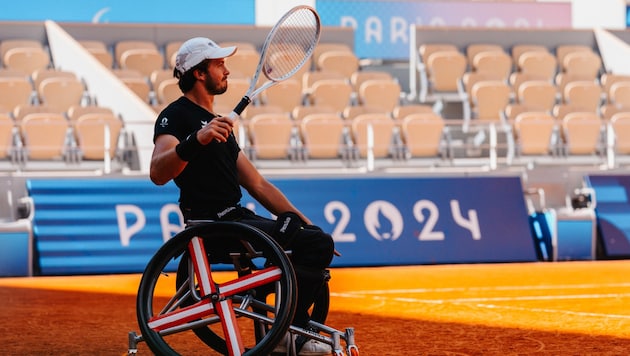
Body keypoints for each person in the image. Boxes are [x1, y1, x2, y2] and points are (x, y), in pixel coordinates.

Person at [149, 37, 335, 355]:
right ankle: (289, 332)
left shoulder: (221, 126)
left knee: (314, 238)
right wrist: (196, 139)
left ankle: (281, 317)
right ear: (198, 73)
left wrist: (306, 224)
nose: (227, 71)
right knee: (316, 245)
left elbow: (258, 185)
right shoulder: (176, 116)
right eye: (219, 64)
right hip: (212, 225)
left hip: (237, 219)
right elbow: (158, 172)